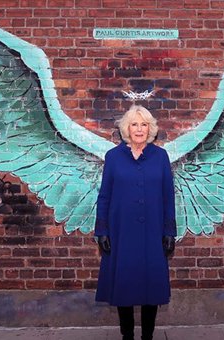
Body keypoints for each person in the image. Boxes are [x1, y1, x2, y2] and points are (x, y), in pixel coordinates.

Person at [94, 104, 176, 340]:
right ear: (126, 128)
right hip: (122, 231)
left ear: (150, 129)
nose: (139, 129)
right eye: (134, 124)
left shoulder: (160, 157)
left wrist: (169, 231)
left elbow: (168, 195)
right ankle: (127, 336)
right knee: (124, 284)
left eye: (143, 124)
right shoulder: (113, 157)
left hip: (152, 230)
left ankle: (147, 336)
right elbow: (105, 195)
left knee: (151, 285)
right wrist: (102, 231)